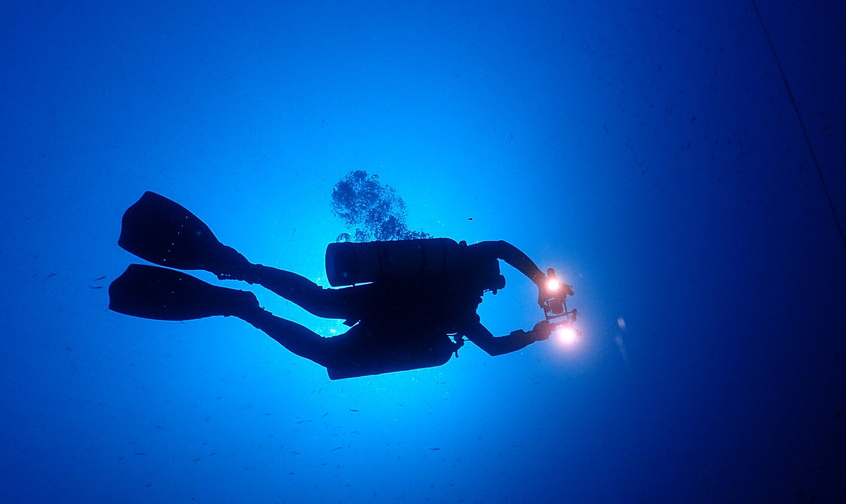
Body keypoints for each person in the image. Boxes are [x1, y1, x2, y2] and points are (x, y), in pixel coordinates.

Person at [109, 192, 564, 379]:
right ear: (488, 278)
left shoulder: (464, 302)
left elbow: (496, 341)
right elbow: (502, 254)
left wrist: (540, 302)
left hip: (385, 307)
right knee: (322, 317)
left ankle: (242, 283)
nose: (496, 285)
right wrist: (540, 313)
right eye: (498, 282)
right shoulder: (465, 273)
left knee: (320, 309)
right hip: (388, 301)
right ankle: (245, 297)